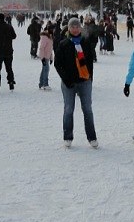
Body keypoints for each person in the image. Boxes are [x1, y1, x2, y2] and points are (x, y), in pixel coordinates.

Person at [54, 17, 98, 148]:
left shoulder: (85, 42)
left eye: (77, 26)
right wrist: (66, 79)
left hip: (85, 81)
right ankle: (67, 137)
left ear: (80, 28)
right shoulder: (63, 44)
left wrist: (90, 78)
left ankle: (92, 137)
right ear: (69, 28)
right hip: (69, 83)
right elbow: (57, 64)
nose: (75, 29)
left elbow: (90, 61)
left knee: (88, 110)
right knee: (68, 109)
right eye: (72, 27)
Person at [37, 25, 54, 90]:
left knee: (44, 70)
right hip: (44, 56)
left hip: (47, 56)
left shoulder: (50, 37)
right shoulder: (45, 37)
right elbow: (41, 48)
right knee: (46, 70)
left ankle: (41, 84)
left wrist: (51, 58)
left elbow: (50, 48)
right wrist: (42, 58)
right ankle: (45, 84)